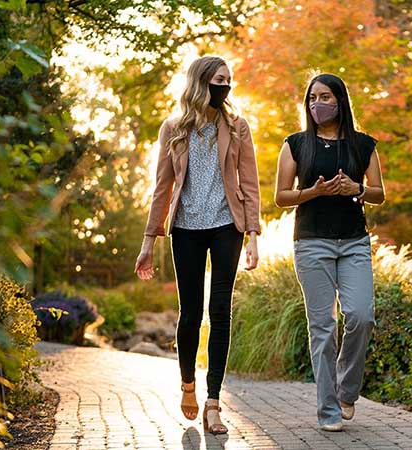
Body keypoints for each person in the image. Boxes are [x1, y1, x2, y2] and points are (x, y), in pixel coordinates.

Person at [134, 55, 261, 435]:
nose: (226, 86)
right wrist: (148, 240)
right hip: (186, 229)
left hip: (227, 226)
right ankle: (188, 385)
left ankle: (213, 402)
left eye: (230, 80)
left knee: (219, 310)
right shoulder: (173, 128)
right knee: (190, 313)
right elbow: (162, 187)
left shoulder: (237, 127)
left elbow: (250, 183)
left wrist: (253, 234)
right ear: (201, 82)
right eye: (220, 79)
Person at [274, 73, 386, 431]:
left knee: (361, 316)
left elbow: (379, 192)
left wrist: (357, 188)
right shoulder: (295, 144)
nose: (317, 104)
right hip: (311, 243)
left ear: (340, 100)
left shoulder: (363, 145)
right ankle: (328, 411)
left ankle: (346, 391)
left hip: (353, 241)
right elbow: (280, 197)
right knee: (322, 328)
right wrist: (314, 192)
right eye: (312, 97)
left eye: (324, 96)